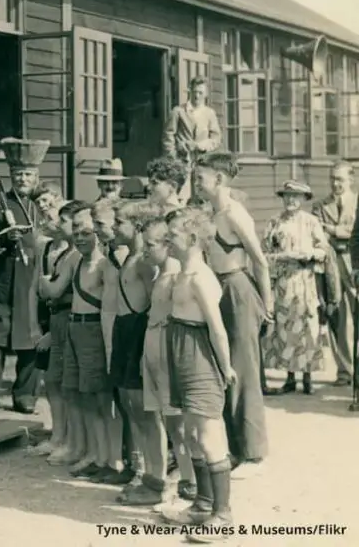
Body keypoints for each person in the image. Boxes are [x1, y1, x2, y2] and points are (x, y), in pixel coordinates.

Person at [191, 151, 270, 479]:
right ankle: (233, 449)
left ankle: (253, 454)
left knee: (244, 372)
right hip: (218, 289)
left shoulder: (236, 214)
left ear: (219, 179)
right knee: (225, 371)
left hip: (238, 290)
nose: (196, 182)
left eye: (201, 177)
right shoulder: (212, 211)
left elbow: (260, 262)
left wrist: (269, 308)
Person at [160, 207, 236, 542]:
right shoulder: (182, 274)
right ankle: (202, 505)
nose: (167, 239)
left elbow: (218, 330)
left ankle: (223, 514)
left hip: (200, 358)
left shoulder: (201, 278)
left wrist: (226, 366)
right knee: (191, 434)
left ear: (192, 239)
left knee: (208, 436)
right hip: (181, 354)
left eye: (173, 234)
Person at [0, 137, 47, 414]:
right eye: (18, 174)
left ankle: (25, 396)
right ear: (11, 176)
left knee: (33, 338)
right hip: (5, 281)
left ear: (36, 176)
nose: (23, 179)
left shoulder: (44, 205)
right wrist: (4, 240)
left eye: (28, 174)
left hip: (34, 281)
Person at [111, 202, 166, 506]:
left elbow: (156, 301)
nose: (114, 228)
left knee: (146, 411)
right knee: (131, 405)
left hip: (137, 331)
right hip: (124, 330)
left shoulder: (144, 264)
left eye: (120, 222)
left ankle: (156, 480)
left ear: (137, 227)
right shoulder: (130, 258)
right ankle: (144, 471)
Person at [140, 215, 197, 504]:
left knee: (177, 421)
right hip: (151, 345)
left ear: (167, 245)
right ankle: (158, 478)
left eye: (150, 245)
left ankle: (190, 480)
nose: (145, 250)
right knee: (157, 415)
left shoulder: (176, 276)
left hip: (166, 347)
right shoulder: (159, 273)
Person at [262, 180, 336, 394]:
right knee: (285, 328)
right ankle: (289, 377)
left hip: (305, 280)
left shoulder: (311, 222)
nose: (291, 200)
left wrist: (311, 254)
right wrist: (282, 257)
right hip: (284, 281)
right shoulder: (274, 222)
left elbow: (324, 249)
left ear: (304, 199)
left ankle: (308, 377)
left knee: (307, 326)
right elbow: (264, 252)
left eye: (295, 196)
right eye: (287, 196)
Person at [62, 206, 112, 479]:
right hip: (74, 328)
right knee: (82, 395)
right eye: (76, 233)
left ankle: (107, 458)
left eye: (86, 233)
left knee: (99, 397)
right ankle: (94, 453)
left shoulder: (104, 266)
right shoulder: (77, 262)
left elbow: (109, 307)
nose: (79, 238)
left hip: (93, 330)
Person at [35, 195, 81, 461]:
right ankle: (58, 435)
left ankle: (69, 439)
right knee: (53, 380)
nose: (60, 224)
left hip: (66, 318)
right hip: (56, 317)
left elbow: (53, 290)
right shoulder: (63, 253)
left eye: (64, 220)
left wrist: (44, 284)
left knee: (64, 382)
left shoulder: (75, 255)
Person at [90, 198, 131, 484]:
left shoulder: (125, 255)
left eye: (102, 224)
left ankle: (129, 461)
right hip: (108, 330)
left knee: (127, 399)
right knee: (113, 396)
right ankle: (115, 458)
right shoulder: (108, 254)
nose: (98, 229)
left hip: (123, 330)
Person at [313, 163, 356, 387]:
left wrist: (334, 230)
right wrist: (340, 233)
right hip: (331, 264)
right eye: (332, 179)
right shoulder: (319, 206)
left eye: (340, 179)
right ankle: (345, 370)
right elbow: (316, 233)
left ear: (351, 180)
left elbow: (350, 234)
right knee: (336, 314)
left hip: (355, 262)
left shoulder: (357, 203)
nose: (335, 184)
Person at [163, 76, 222, 202]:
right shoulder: (178, 111)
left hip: (202, 162)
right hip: (181, 162)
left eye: (200, 92)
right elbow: (168, 136)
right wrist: (173, 156)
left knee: (201, 196)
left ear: (205, 94)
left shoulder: (209, 113)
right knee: (180, 198)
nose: (197, 96)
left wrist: (200, 145)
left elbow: (216, 139)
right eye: (194, 92)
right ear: (190, 92)